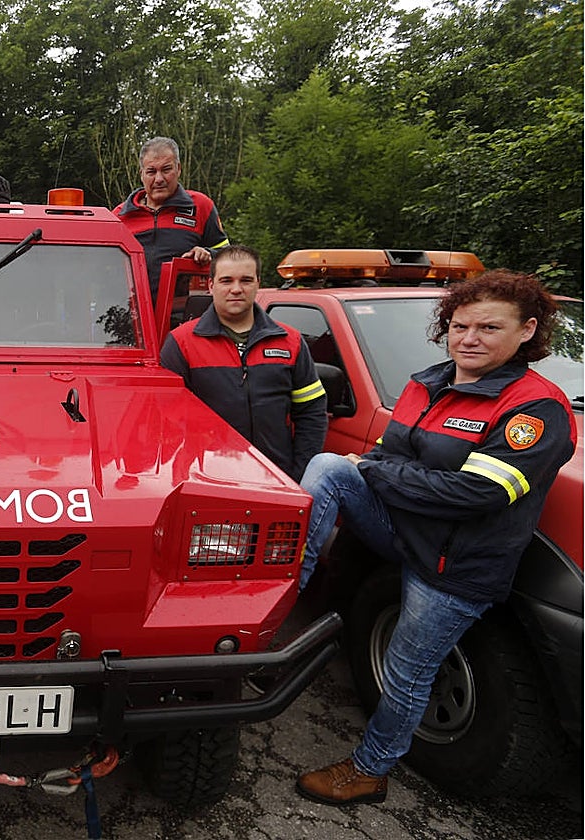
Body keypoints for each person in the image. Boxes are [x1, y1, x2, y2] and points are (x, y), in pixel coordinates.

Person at [294, 270, 575, 805]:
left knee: (406, 672)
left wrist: (378, 474)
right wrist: (375, 469)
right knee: (330, 466)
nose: (469, 337)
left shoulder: (536, 409)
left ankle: (369, 771)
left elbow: (476, 495)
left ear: (527, 331)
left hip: (455, 566)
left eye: (489, 327)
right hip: (403, 531)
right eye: (460, 325)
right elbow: (385, 453)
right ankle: (281, 602)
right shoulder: (429, 382)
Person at [160, 244, 328, 481]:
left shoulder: (291, 342)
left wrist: (298, 474)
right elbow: (168, 422)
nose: (236, 289)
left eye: (246, 280)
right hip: (209, 481)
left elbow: (311, 413)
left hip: (276, 479)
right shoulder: (181, 343)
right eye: (226, 281)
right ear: (211, 285)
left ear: (258, 283)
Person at [114, 136, 230, 300]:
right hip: (131, 315)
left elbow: (229, 256)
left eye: (166, 170)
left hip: (183, 316)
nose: (159, 179)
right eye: (151, 172)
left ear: (179, 169)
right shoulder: (119, 216)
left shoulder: (201, 206)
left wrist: (208, 253)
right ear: (142, 175)